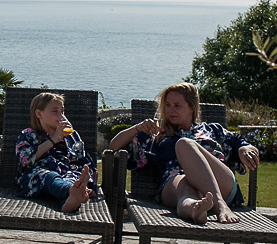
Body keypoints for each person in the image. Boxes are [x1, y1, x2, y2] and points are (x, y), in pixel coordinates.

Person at [108, 82, 261, 224]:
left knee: (184, 144)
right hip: (175, 183)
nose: (170, 110)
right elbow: (113, 146)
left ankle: (219, 203)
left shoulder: (213, 130)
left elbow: (239, 141)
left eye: (177, 105)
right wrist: (137, 128)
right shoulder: (157, 136)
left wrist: (244, 148)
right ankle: (195, 209)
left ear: (192, 107)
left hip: (221, 184)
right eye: (167, 105)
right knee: (185, 190)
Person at [15, 92, 96, 213]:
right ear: (39, 113)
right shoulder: (28, 134)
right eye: (55, 111)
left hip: (67, 173)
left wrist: (88, 184)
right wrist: (54, 139)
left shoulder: (71, 135)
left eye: (62, 112)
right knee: (51, 177)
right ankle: (71, 191)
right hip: (38, 176)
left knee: (73, 180)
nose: (61, 116)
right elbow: (25, 160)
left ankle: (71, 201)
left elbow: (83, 160)